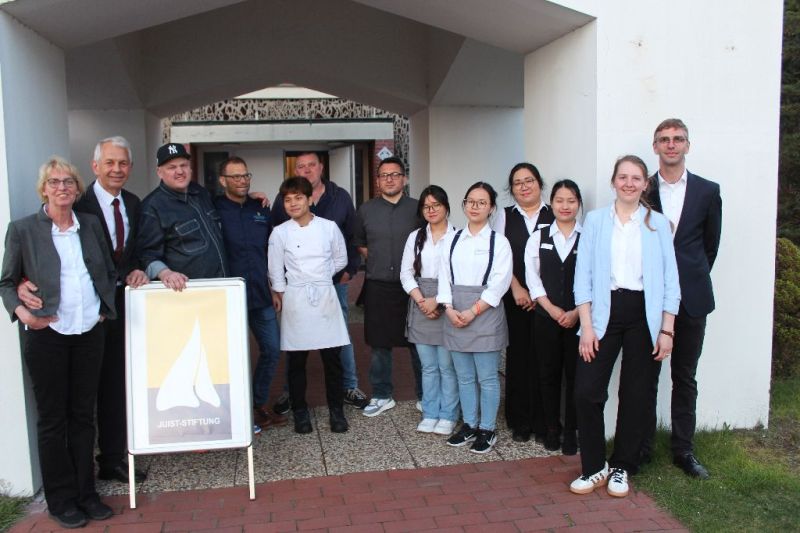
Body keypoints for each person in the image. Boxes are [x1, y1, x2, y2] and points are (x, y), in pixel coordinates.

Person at [16, 137, 148, 484]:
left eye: (123, 163)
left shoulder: (133, 203)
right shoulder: (79, 205)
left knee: (113, 386)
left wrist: (139, 268)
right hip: (68, 320)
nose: (117, 169)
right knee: (71, 404)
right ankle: (71, 481)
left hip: (111, 310)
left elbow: (133, 251)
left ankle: (111, 460)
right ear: (95, 167)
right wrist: (21, 287)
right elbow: (40, 259)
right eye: (109, 162)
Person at [0, 157, 117, 529]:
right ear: (44, 189)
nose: (62, 188)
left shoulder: (90, 224)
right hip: (47, 335)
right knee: (53, 421)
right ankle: (61, 500)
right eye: (54, 182)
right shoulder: (23, 229)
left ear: (77, 188)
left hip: (89, 332)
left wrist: (104, 308)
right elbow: (6, 282)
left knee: (83, 416)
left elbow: (106, 269)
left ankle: (87, 494)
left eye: (68, 182)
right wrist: (24, 313)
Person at [570, 155, 680, 498]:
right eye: (623, 177)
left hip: (644, 315)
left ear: (645, 184)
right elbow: (583, 278)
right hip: (603, 313)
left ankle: (622, 466)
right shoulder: (595, 220)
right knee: (586, 391)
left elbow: (671, 281)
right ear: (613, 181)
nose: (629, 183)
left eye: (636, 178)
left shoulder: (658, 223)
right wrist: (587, 327)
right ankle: (594, 466)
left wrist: (666, 330)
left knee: (636, 394)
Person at [643, 118, 722, 479]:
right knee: (645, 376)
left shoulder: (707, 191)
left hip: (692, 298)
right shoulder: (642, 188)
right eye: (664, 139)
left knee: (685, 376)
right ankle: (641, 446)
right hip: (649, 299)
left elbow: (710, 246)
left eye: (678, 139)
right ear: (655, 146)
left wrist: (689, 276)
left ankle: (684, 451)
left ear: (687, 145)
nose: (671, 144)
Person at [270, 151, 368, 411]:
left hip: (330, 283)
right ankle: (290, 394)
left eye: (311, 165)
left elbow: (352, 235)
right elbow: (276, 240)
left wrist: (346, 270)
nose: (307, 169)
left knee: (338, 339)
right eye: (301, 166)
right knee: (295, 344)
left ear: (321, 167)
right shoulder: (283, 205)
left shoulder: (340, 196)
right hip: (296, 287)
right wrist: (280, 289)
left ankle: (349, 386)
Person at [268, 177, 350, 433]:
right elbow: (275, 269)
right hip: (296, 298)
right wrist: (281, 293)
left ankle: (337, 411)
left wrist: (321, 276)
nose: (293, 203)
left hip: (324, 295)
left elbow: (341, 258)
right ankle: (300, 412)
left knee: (332, 359)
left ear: (310, 199)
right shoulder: (280, 232)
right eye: (287, 199)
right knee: (296, 361)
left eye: (298, 198)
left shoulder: (329, 227)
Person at [438, 182, 513, 454]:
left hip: (485, 314)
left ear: (491, 208)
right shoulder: (452, 239)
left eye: (482, 202)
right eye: (470, 201)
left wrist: (473, 311)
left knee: (488, 377)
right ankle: (469, 424)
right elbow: (444, 276)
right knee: (465, 377)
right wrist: (448, 308)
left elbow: (500, 283)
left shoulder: (499, 242)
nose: (475, 207)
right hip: (455, 314)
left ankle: (487, 429)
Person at [214, 156, 287, 433]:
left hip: (259, 293)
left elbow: (271, 251)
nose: (242, 181)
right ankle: (234, 409)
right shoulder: (212, 209)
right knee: (233, 356)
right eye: (235, 176)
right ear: (223, 181)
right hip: (228, 297)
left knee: (272, 349)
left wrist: (274, 287)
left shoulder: (261, 210)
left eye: (245, 176)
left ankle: (257, 403)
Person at [354, 157, 423, 417]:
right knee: (379, 343)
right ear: (378, 181)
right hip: (378, 285)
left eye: (395, 174)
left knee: (418, 342)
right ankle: (382, 394)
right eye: (384, 175)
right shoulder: (366, 210)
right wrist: (380, 259)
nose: (390, 179)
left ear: (405, 178)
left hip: (413, 287)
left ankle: (426, 396)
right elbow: (361, 243)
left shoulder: (418, 209)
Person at [493, 163, 554, 442]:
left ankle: (544, 421)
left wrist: (542, 295)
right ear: (512, 189)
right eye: (518, 183)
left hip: (549, 301)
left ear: (539, 183)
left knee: (545, 359)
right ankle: (519, 420)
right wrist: (517, 288)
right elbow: (500, 257)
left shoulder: (554, 213)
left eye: (529, 180)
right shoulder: (505, 216)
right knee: (518, 358)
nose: (524, 186)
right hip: (515, 298)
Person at [524, 179, 582, 454]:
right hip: (546, 317)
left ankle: (571, 431)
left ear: (578, 204)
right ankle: (551, 428)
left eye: (571, 201)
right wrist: (551, 308)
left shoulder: (588, 237)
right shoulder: (539, 237)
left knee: (575, 377)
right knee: (547, 374)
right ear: (551, 203)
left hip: (579, 318)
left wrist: (576, 312)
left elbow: (594, 278)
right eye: (560, 200)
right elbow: (532, 279)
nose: (565, 206)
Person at [400, 185, 458, 435]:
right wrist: (422, 301)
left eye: (436, 205)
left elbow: (459, 276)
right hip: (420, 302)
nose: (431, 210)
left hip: (448, 303)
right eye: (426, 206)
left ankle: (448, 414)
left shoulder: (458, 237)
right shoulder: (415, 237)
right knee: (428, 366)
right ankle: (430, 412)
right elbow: (406, 274)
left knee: (446, 366)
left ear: (446, 207)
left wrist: (439, 300)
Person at [136, 143, 227, 290]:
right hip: (186, 292)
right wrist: (165, 273)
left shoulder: (201, 193)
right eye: (172, 167)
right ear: (159, 172)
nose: (180, 171)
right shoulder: (152, 207)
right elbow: (146, 255)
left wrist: (248, 199)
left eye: (183, 165)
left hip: (222, 286)